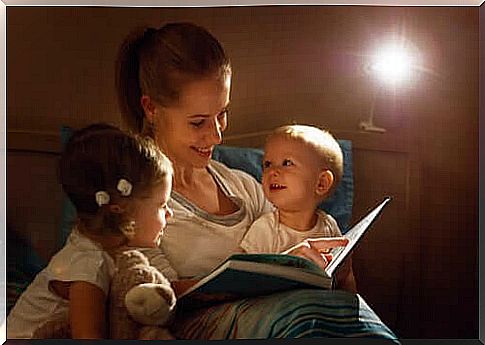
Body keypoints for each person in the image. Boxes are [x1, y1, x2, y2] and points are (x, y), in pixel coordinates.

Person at [116, 22, 398, 341]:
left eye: (222, 114)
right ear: (151, 108)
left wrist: (328, 264)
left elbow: (286, 235)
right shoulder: (137, 202)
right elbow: (144, 295)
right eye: (198, 122)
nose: (217, 134)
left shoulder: (245, 186)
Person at [7, 123, 174, 339]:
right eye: (162, 206)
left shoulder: (100, 246)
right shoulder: (90, 266)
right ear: (120, 210)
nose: (170, 214)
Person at [240, 124, 357, 292]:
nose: (272, 171)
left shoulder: (329, 227)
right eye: (267, 164)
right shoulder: (265, 229)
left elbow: (346, 279)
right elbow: (243, 281)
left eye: (287, 163)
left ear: (321, 183)